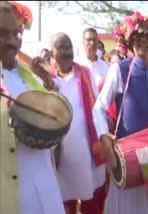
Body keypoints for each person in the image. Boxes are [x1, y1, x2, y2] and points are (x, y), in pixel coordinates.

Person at [92, 11, 148, 214]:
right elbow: (99, 107)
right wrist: (104, 137)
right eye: (139, 37)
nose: (143, 41)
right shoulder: (119, 69)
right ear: (130, 40)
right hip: (126, 155)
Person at [0, 2, 65, 214]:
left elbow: (58, 115)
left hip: (47, 189)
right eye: (2, 34)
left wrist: (49, 82)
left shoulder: (28, 77)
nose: (11, 42)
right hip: (12, 197)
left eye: (15, 34)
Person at [32, 32, 107, 214]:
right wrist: (43, 78)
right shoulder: (44, 79)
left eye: (69, 47)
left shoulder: (85, 73)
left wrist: (104, 136)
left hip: (86, 154)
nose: (66, 52)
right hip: (60, 158)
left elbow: (97, 109)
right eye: (61, 48)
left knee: (91, 198)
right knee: (63, 203)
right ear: (52, 52)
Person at [75, 28, 110, 92]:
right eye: (88, 40)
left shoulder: (105, 66)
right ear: (83, 42)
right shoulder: (76, 64)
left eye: (94, 39)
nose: (92, 43)